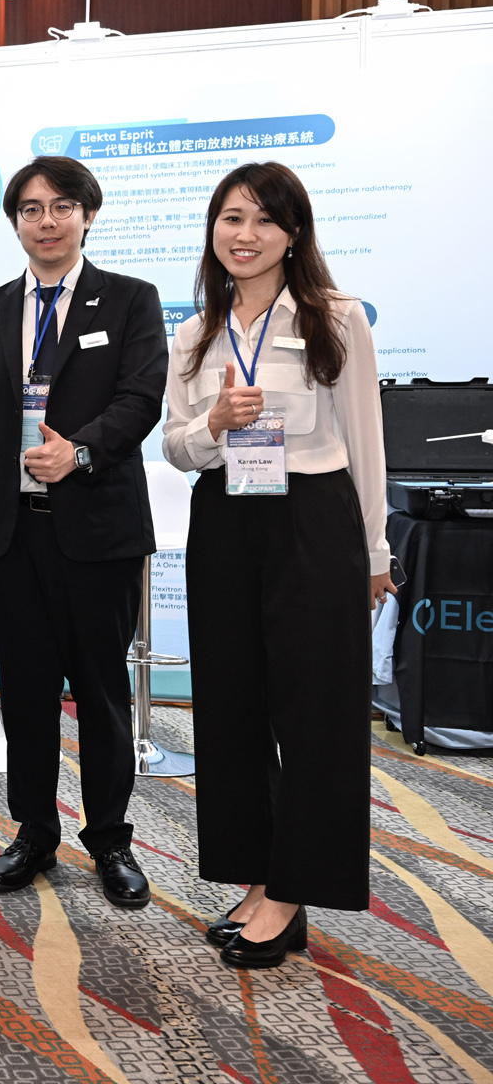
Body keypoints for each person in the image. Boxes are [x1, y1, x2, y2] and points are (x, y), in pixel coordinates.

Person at [163, 162, 392, 969]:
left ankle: (294, 892)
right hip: (225, 518)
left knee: (315, 713)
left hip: (312, 518)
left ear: (293, 234)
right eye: (231, 217)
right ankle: (258, 878)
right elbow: (177, 447)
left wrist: (374, 553)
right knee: (232, 708)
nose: (245, 234)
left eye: (264, 219)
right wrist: (215, 424)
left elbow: (365, 441)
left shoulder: (336, 317)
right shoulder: (194, 332)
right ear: (212, 230)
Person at [0, 155, 165, 909]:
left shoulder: (130, 299)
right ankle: (34, 831)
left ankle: (110, 839)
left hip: (98, 531)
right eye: (32, 209)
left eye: (62, 206)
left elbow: (141, 398)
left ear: (87, 215)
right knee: (28, 694)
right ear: (15, 222)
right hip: (13, 536)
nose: (47, 221)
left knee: (102, 694)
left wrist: (80, 452)